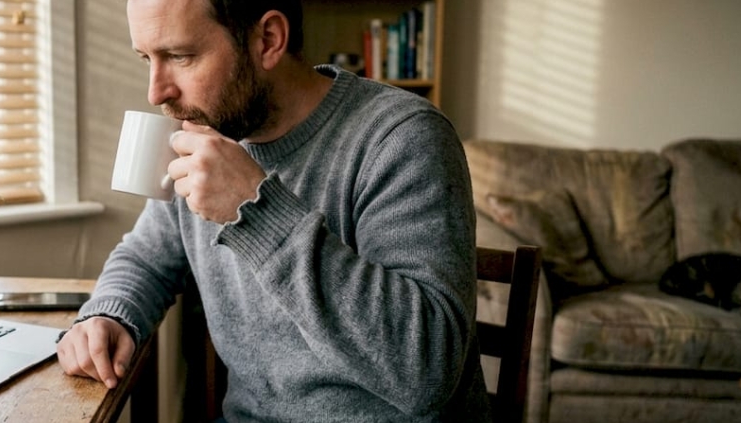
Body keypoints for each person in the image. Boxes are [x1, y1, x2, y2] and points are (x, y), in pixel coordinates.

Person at [56, 0, 489, 421]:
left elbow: (428, 375)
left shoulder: (400, 139)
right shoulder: (210, 134)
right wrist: (109, 313)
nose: (156, 92)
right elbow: (145, 258)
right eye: (145, 58)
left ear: (268, 39)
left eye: (180, 56)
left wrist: (255, 211)